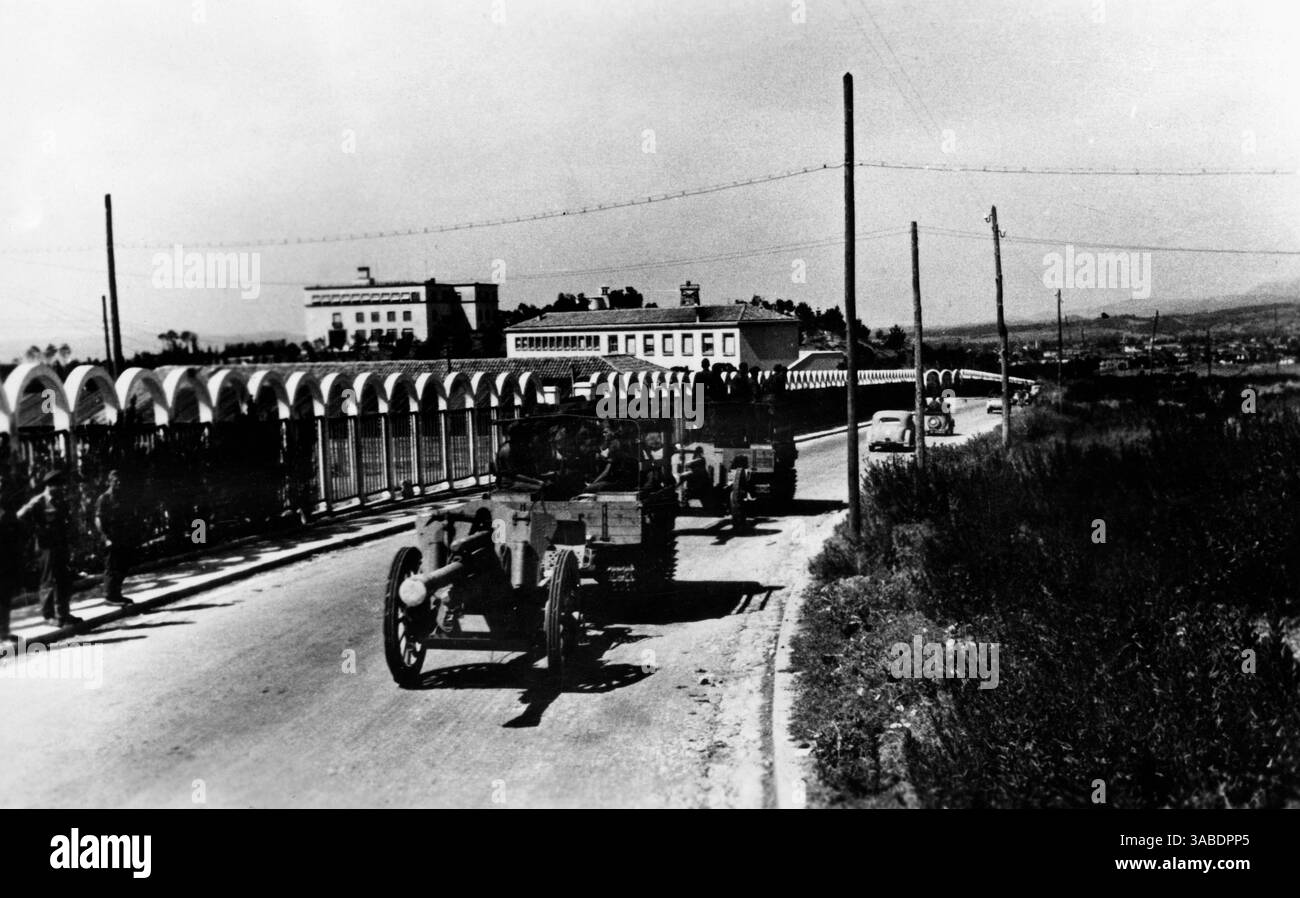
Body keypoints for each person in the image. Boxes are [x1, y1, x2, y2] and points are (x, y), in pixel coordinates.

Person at [16, 468, 81, 627]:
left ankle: (64, 613)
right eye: (58, 485)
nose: (61, 488)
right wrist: (35, 530)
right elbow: (20, 516)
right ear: (50, 485)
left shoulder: (60, 501)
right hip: (46, 547)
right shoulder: (38, 501)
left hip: (60, 545)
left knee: (63, 580)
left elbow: (66, 522)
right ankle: (49, 615)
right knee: (49, 580)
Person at [94, 470, 135, 606]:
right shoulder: (104, 498)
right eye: (115, 481)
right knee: (111, 566)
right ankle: (109, 596)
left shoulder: (121, 497)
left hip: (121, 536)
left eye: (119, 481)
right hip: (110, 537)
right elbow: (98, 519)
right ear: (109, 482)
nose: (118, 483)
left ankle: (117, 594)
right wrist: (105, 538)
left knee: (122, 566)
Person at [0, 468, 23, 643]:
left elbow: (16, 532)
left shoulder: (7, 510)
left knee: (5, 597)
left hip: (6, 559)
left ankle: (4, 633)